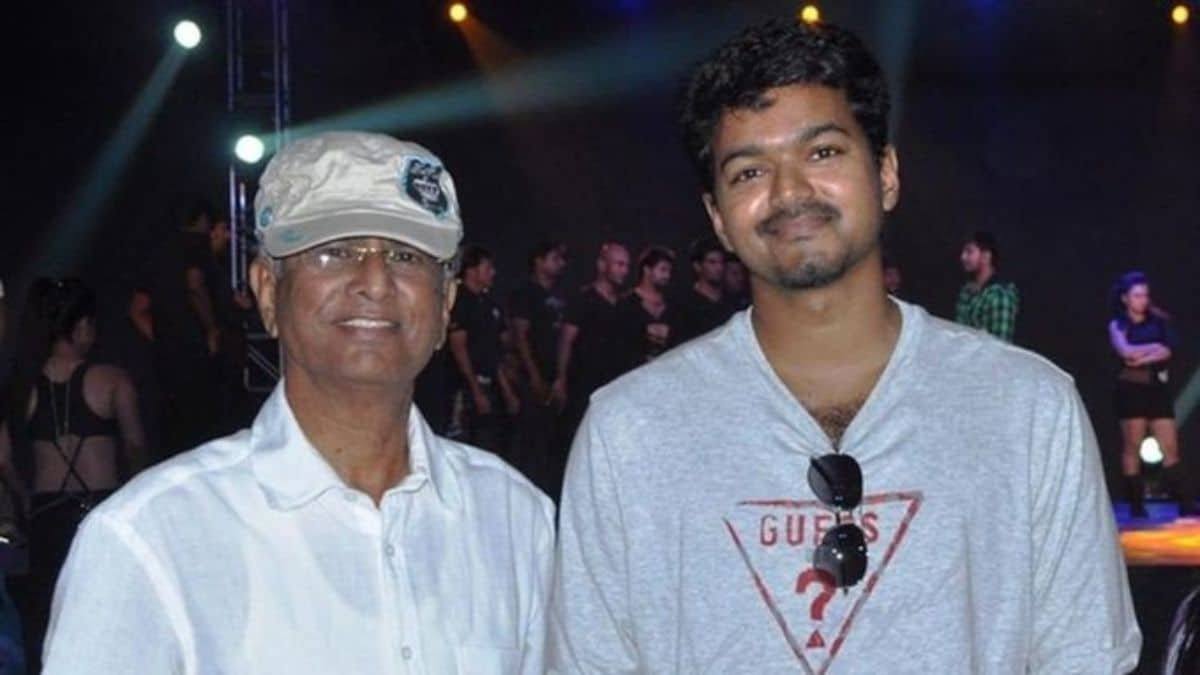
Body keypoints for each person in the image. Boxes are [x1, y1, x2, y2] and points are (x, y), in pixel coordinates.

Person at [550, 18, 1140, 673]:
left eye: (823, 152)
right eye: (749, 171)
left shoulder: (1028, 409)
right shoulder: (630, 431)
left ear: (885, 173)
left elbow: (1085, 655)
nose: (789, 192)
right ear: (717, 217)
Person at [42, 132, 554, 674]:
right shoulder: (154, 539)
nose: (375, 282)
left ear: (445, 302)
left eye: (406, 256)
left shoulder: (514, 519)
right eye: (335, 252)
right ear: (267, 290)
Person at [0, 278, 145, 672]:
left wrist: (24, 499)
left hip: (47, 516)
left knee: (51, 621)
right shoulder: (112, 379)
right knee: (110, 619)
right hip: (102, 509)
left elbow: (4, 459)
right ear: (81, 326)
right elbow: (135, 448)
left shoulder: (21, 386)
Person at [1108, 271, 1193, 518]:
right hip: (1131, 389)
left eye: (1145, 295)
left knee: (1170, 446)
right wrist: (1151, 348)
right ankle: (1136, 503)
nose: (1142, 300)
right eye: (1137, 295)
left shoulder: (1159, 321)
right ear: (1125, 298)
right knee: (1132, 445)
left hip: (1157, 389)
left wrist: (1143, 356)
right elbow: (1125, 351)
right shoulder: (1118, 324)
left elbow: (1167, 351)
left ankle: (1184, 502)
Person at [146, 198, 222, 457]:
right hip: (192, 342)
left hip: (167, 345)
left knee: (174, 421)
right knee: (201, 417)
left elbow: (139, 307)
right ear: (202, 220)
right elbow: (194, 284)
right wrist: (211, 328)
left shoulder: (159, 249)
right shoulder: (196, 244)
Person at [508, 241, 568, 494]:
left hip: (554, 378)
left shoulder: (559, 297)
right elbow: (520, 336)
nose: (561, 264)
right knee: (529, 440)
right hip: (531, 377)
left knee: (549, 443)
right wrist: (533, 374)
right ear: (539, 261)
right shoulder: (526, 294)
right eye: (555, 258)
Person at [447, 245, 518, 455]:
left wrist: (506, 388)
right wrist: (475, 389)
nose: (492, 273)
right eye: (487, 268)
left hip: (490, 383)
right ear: (471, 270)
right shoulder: (461, 301)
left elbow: (493, 351)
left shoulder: (487, 303)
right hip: (463, 387)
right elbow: (459, 348)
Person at [615, 246, 678, 372]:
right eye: (663, 270)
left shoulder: (673, 304)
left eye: (669, 271)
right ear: (647, 270)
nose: (667, 275)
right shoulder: (625, 304)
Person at [955, 230, 1019, 342]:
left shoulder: (999, 296)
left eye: (969, 252)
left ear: (986, 256)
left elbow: (999, 345)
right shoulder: (967, 290)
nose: (963, 257)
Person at [676, 235, 734, 343]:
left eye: (721, 262)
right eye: (712, 262)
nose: (719, 268)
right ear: (697, 266)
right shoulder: (685, 304)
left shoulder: (731, 302)